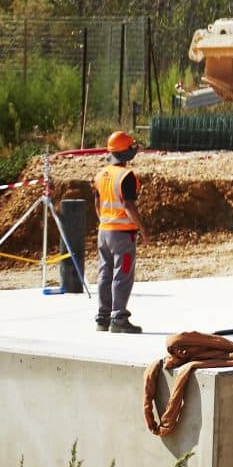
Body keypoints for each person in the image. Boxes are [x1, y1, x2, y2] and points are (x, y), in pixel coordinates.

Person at [94, 130, 143, 334]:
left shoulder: (101, 175)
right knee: (122, 275)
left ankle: (103, 317)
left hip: (104, 231)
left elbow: (97, 203)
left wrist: (105, 221)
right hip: (122, 234)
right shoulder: (125, 176)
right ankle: (119, 318)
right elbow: (129, 206)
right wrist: (143, 229)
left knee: (105, 274)